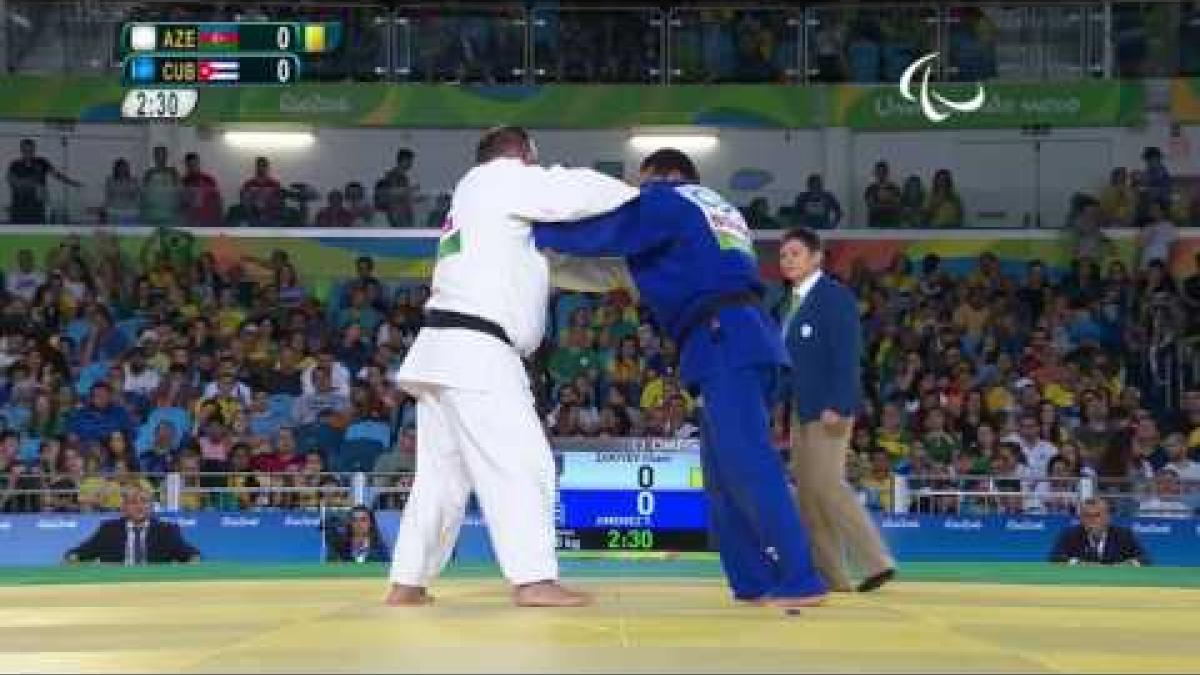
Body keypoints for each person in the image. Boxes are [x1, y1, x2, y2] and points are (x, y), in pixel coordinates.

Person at [534, 149, 828, 608]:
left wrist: (535, 228)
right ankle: (752, 580)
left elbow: (608, 230)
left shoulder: (670, 200)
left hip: (723, 339)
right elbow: (616, 271)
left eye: (643, 183)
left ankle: (800, 577)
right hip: (737, 339)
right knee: (722, 478)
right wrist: (545, 264)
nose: (639, 192)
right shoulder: (715, 214)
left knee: (749, 465)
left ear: (663, 176)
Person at [384, 126, 638, 608]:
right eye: (534, 162)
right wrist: (643, 196)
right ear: (522, 155)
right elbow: (572, 189)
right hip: (479, 353)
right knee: (524, 463)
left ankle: (408, 581)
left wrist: (628, 275)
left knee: (441, 478)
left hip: (446, 351)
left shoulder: (484, 212)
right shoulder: (499, 179)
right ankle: (534, 578)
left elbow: (558, 266)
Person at [777, 226, 896, 593]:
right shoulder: (788, 304)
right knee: (809, 496)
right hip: (801, 410)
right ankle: (833, 577)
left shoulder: (834, 298)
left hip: (829, 409)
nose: (787, 260)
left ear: (817, 258)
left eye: (795, 253)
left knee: (827, 485)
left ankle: (877, 561)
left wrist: (840, 403)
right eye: (783, 255)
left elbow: (848, 357)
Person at [63, 486, 200, 564]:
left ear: (151, 506)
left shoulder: (166, 530)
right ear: (124, 507)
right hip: (117, 585)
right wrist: (72, 558)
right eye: (133, 502)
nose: (139, 506)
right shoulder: (109, 530)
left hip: (154, 585)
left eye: (144, 501)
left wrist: (193, 560)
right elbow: (82, 552)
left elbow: (191, 554)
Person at [1048, 497, 1149, 566]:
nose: (1092, 520)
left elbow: (1145, 559)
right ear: (1081, 518)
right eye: (1087, 516)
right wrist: (1079, 564)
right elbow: (1055, 558)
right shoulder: (1069, 535)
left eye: (1096, 515)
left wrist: (1128, 564)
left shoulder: (1124, 535)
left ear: (1107, 517)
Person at [7, 138, 81, 224]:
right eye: (25, 150)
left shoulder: (42, 162)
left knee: (38, 228)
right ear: (21, 150)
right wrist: (32, 184)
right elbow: (12, 181)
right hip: (19, 206)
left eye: (30, 150)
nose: (28, 152)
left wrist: (72, 182)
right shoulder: (15, 164)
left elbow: (57, 175)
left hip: (37, 206)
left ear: (34, 149)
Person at [327, 505, 391, 563]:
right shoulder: (338, 548)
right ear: (350, 523)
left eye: (363, 520)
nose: (359, 524)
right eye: (355, 520)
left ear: (370, 523)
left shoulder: (380, 550)